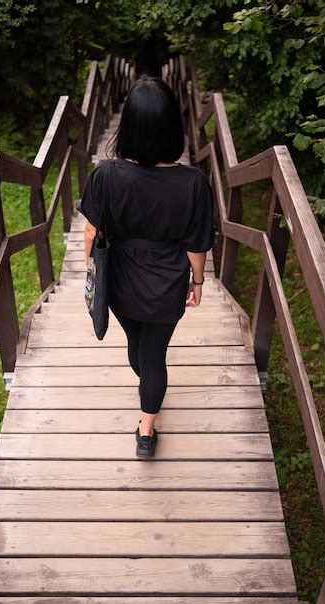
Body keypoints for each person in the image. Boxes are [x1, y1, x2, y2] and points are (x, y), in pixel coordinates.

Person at [79, 74, 215, 459]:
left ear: (129, 126)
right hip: (166, 282)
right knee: (154, 355)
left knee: (136, 347)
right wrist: (198, 281)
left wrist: (92, 272)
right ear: (173, 125)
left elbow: (92, 232)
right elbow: (196, 244)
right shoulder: (193, 184)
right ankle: (146, 431)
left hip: (121, 278)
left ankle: (148, 401)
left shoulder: (106, 174)